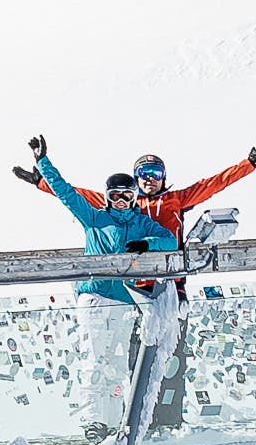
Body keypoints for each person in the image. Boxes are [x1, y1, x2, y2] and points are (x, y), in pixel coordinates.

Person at [12, 137, 181, 425]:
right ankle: (93, 421)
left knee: (115, 363)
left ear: (133, 196)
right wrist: (43, 162)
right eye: (115, 196)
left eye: (127, 196)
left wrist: (146, 244)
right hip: (94, 296)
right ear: (107, 197)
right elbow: (66, 193)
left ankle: (114, 421)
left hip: (124, 300)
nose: (121, 201)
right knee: (95, 358)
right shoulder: (94, 218)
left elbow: (169, 239)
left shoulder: (141, 224)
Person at [122, 145, 256, 244]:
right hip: (135, 273)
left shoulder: (176, 199)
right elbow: (97, 202)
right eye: (144, 173)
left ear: (163, 178)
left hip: (171, 272)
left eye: (156, 173)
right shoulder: (123, 202)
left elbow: (213, 184)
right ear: (136, 178)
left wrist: (249, 163)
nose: (150, 178)